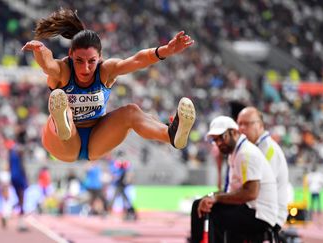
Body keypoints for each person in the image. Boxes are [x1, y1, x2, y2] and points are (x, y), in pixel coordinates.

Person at [21, 8, 196, 162]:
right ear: (70, 54)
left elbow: (136, 60)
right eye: (79, 61)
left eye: (91, 61)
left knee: (131, 111)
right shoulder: (62, 71)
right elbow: (48, 64)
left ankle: (171, 135)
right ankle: (64, 125)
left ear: (100, 57)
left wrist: (164, 50)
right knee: (61, 103)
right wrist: (40, 51)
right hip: (60, 144)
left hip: (96, 140)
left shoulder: (106, 70)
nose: (86, 68)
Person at [189, 116, 278, 243]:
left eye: (222, 137)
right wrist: (211, 197)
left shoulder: (246, 153)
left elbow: (251, 193)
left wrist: (216, 198)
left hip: (260, 214)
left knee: (214, 213)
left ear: (234, 132)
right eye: (215, 140)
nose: (219, 143)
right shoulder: (236, 153)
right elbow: (231, 191)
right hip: (252, 209)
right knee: (199, 204)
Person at [237, 106, 290, 229]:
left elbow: (257, 189)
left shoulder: (268, 150)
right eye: (239, 124)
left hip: (269, 214)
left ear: (260, 125)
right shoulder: (251, 148)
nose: (242, 128)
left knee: (220, 215)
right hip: (257, 208)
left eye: (247, 124)